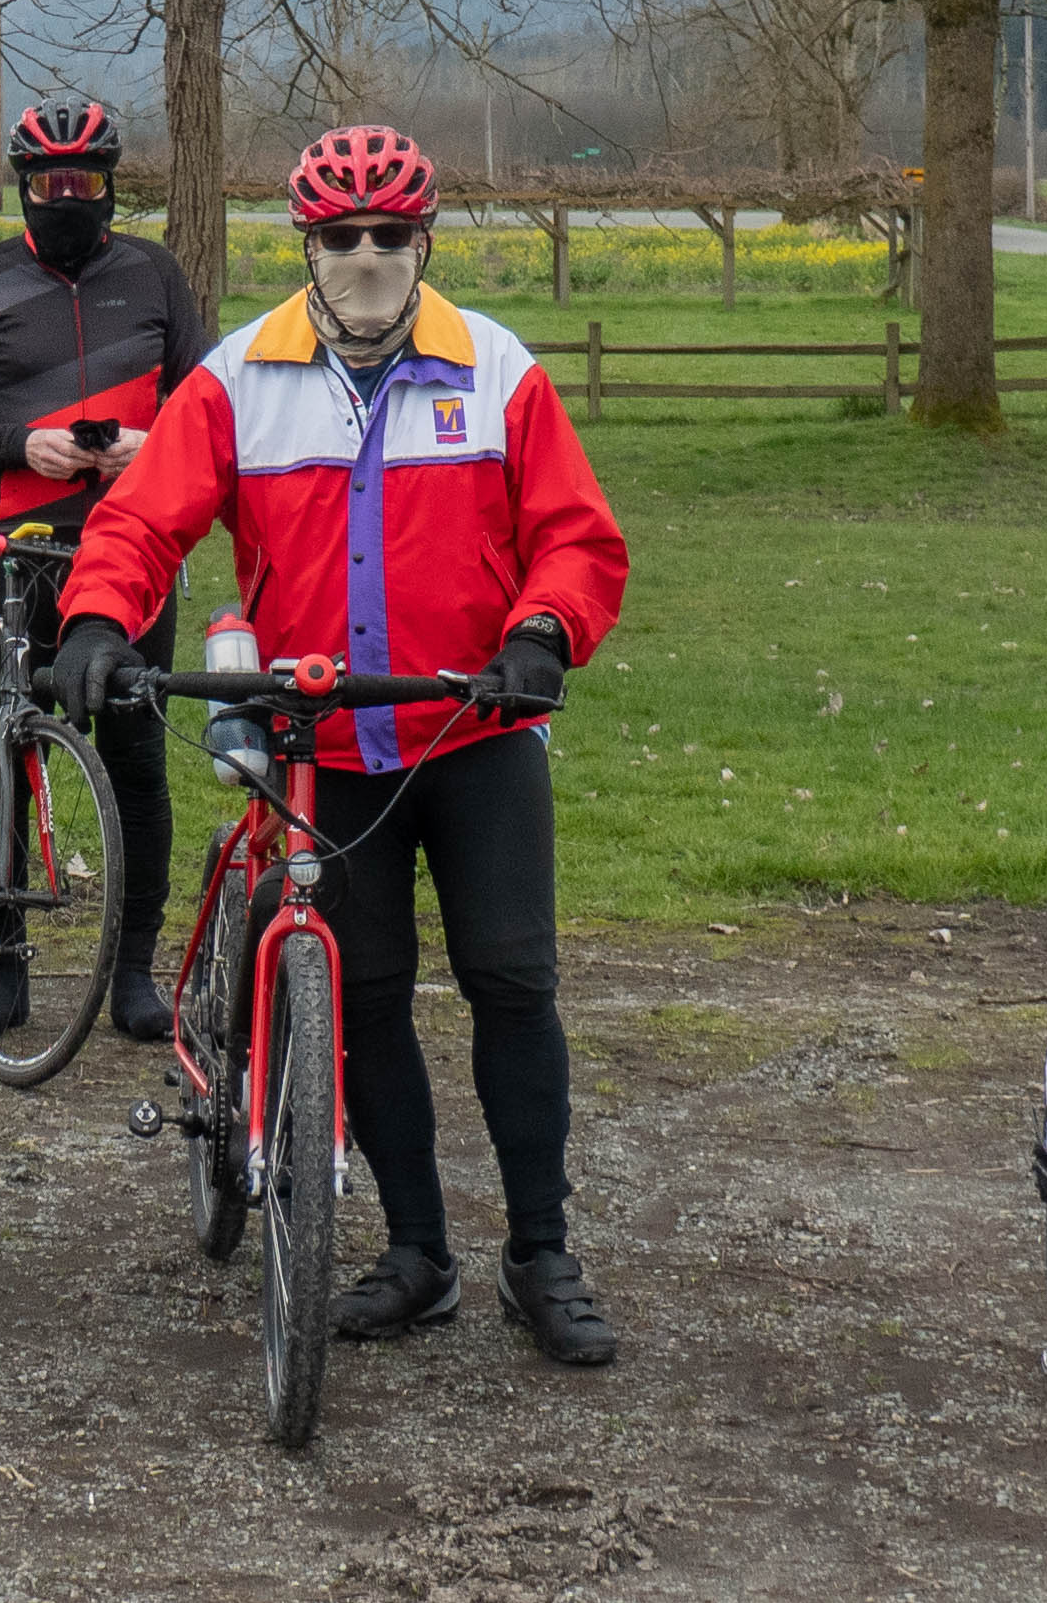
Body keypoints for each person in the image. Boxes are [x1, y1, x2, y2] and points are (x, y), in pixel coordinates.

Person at [51, 123, 634, 1367]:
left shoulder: (497, 368)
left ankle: (541, 1251)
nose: (367, 255)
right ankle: (418, 1251)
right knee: (362, 996)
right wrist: (98, 616)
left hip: (472, 726)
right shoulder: (238, 377)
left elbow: (577, 536)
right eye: (341, 236)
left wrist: (543, 630)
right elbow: (141, 522)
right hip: (327, 743)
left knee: (511, 984)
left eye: (390, 234)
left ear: (426, 240)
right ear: (304, 244)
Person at [0, 93, 210, 1040]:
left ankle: (134, 971)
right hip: (20, 551)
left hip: (137, 545)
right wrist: (18, 445)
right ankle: (5, 959)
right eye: (50, 185)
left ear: (112, 185)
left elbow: (209, 405)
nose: (68, 198)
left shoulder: (155, 274)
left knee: (136, 758)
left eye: (84, 182)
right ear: (24, 189)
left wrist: (152, 446)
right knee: (2, 751)